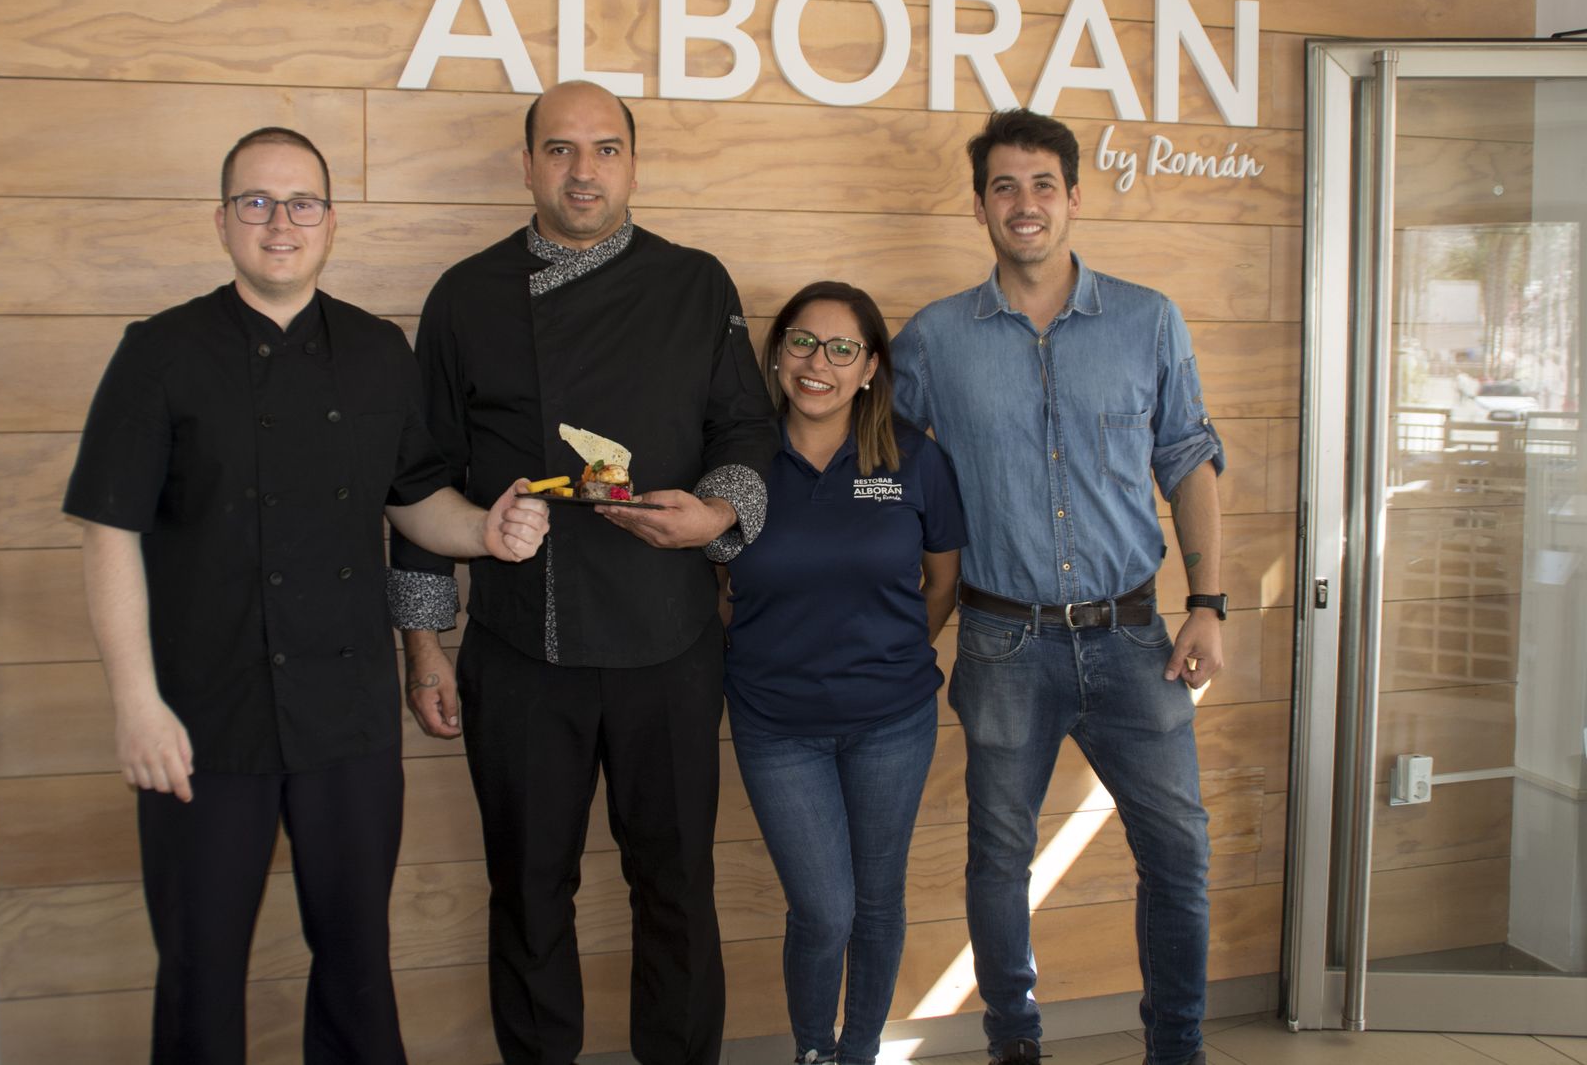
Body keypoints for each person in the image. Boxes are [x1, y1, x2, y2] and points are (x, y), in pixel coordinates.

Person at [62, 126, 551, 1065]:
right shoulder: (159, 352)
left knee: (359, 965)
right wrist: (136, 703)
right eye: (256, 201)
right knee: (200, 974)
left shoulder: (377, 349)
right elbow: (108, 532)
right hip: (202, 720)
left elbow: (416, 499)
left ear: (331, 222)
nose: (279, 222)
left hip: (347, 717)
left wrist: (484, 531)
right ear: (222, 220)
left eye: (301, 203)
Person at [387, 80, 779, 1065]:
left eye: (605, 148)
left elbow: (744, 428)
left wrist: (717, 514)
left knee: (677, 884)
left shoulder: (696, 283)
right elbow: (421, 477)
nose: (583, 171)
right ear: (526, 165)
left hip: (670, 637)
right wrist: (424, 643)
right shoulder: (465, 295)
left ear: (634, 164)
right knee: (527, 888)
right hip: (522, 642)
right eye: (559, 149)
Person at [891, 109, 1226, 1065]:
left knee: (1179, 854)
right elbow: (882, 468)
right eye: (1004, 186)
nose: (1024, 203)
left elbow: (1189, 459)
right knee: (1000, 859)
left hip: (1135, 638)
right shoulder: (935, 339)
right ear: (980, 206)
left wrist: (1209, 602)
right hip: (1003, 643)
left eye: (1043, 184)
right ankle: (1015, 1044)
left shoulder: (1148, 319)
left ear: (1074, 196)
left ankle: (1178, 1049)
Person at [721, 281, 965, 1065]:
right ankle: (812, 1051)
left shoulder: (914, 457)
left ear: (870, 368)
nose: (816, 363)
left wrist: (887, 655)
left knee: (878, 901)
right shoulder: (739, 460)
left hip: (893, 721)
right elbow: (715, 587)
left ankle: (857, 1051)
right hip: (776, 725)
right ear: (776, 353)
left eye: (840, 348)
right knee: (825, 910)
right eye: (800, 341)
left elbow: (942, 580)